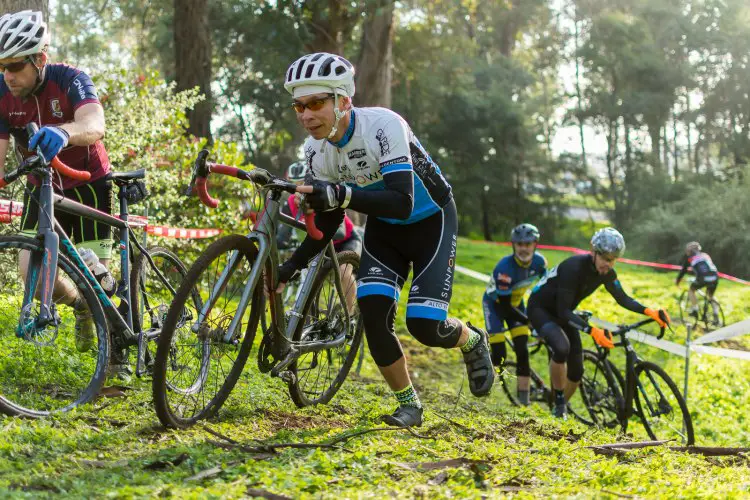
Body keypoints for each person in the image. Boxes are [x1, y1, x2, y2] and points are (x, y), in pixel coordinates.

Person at [276, 52, 494, 427]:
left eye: (315, 103)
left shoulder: (383, 126)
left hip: (431, 221)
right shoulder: (316, 150)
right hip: (385, 228)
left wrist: (341, 194)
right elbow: (329, 223)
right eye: (299, 105)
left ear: (343, 101)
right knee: (373, 314)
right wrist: (290, 267)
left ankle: (472, 340)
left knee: (425, 327)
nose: (306, 115)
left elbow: (403, 199)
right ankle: (409, 404)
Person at [0, 12, 124, 376]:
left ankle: (116, 351)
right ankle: (81, 305)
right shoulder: (1, 94)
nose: (7, 75)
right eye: (1, 66)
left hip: (87, 181)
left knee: (96, 272)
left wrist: (66, 133)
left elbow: (94, 124)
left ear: (40, 59)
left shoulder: (71, 79)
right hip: (42, 184)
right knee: (33, 275)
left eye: (15, 66)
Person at [527, 227, 670, 418]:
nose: (608, 264)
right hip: (541, 309)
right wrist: (593, 331)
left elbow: (622, 298)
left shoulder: (607, 273)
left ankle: (556, 408)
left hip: (565, 312)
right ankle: (560, 403)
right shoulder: (573, 267)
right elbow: (562, 310)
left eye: (613, 260)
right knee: (562, 348)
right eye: (605, 258)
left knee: (577, 371)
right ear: (593, 252)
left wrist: (649, 311)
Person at [482, 223, 546, 405]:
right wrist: (529, 321)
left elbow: (544, 291)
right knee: (499, 354)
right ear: (513, 245)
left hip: (517, 304)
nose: (524, 249)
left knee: (522, 351)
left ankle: (523, 400)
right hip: (496, 307)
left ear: (535, 244)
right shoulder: (504, 268)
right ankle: (485, 384)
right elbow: (504, 308)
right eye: (520, 244)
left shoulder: (540, 263)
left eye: (528, 244)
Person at [675, 241, 720, 323]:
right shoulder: (705, 255)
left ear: (689, 251)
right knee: (711, 296)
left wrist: (677, 281)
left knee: (691, 290)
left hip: (702, 278)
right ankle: (716, 313)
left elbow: (683, 271)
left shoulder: (690, 258)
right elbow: (706, 267)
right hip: (715, 277)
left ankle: (694, 310)